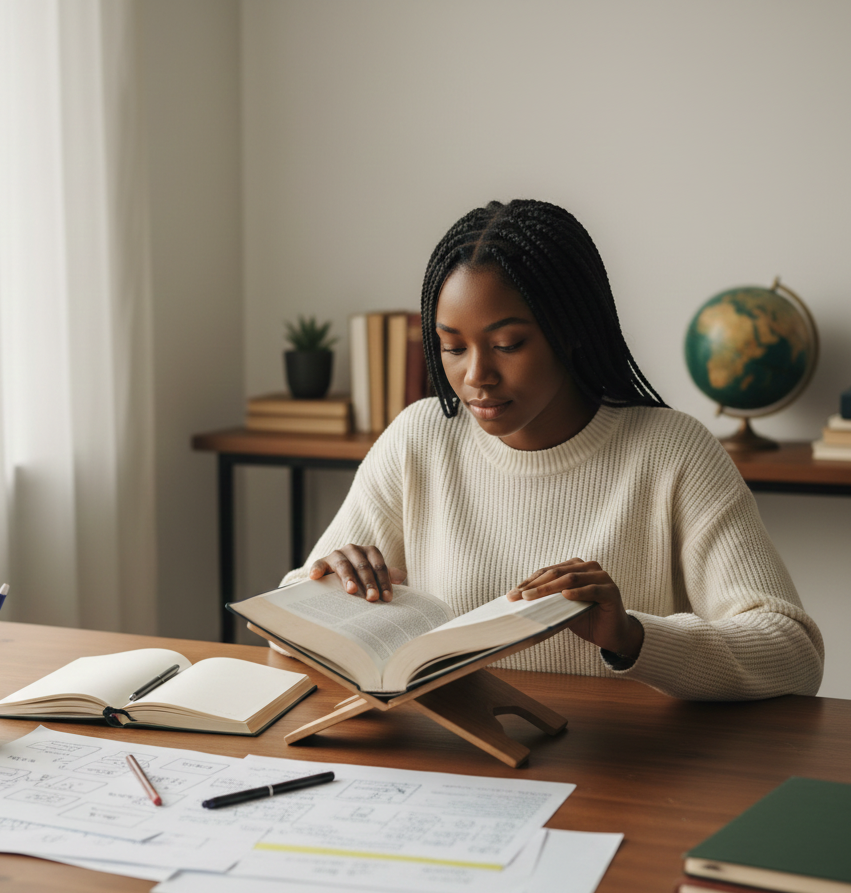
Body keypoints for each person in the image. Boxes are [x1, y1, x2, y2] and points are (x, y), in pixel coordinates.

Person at [278, 199, 823, 701]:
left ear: (572, 332)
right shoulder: (420, 438)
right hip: (455, 764)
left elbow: (793, 651)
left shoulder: (672, 453)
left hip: (623, 776)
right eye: (451, 346)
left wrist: (631, 635)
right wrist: (324, 586)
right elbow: (285, 636)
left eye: (508, 345)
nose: (476, 376)